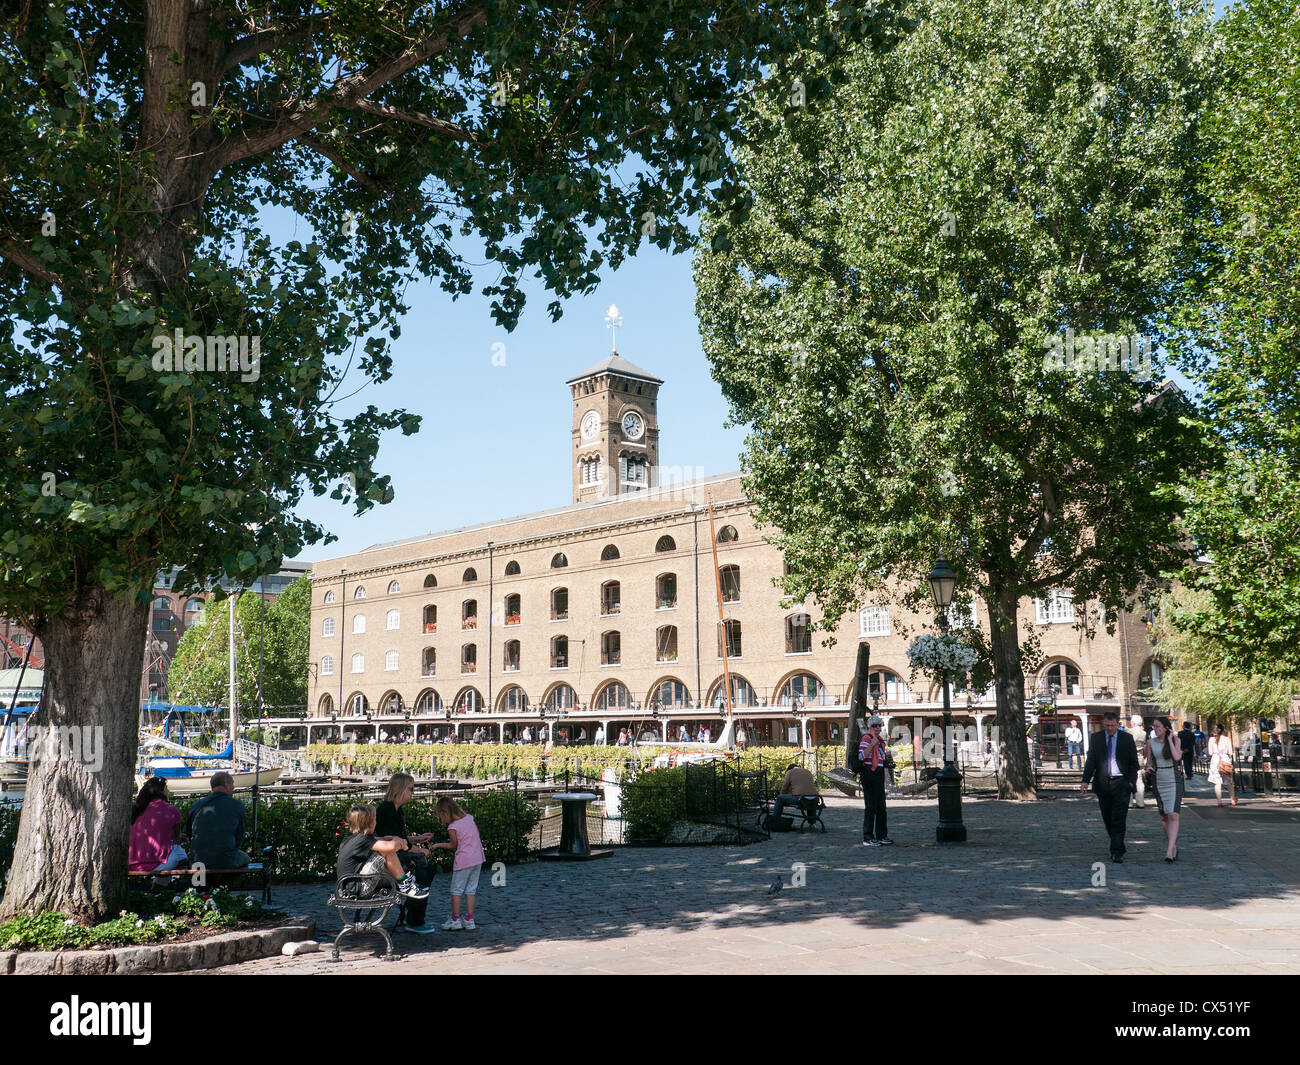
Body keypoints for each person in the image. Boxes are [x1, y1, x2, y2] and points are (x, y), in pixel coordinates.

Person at [375, 772, 437, 933]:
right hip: (388, 864)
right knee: (423, 873)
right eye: (410, 789)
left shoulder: (395, 810)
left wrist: (417, 840)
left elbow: (400, 839)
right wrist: (421, 850)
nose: (412, 793)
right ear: (401, 790)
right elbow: (395, 843)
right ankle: (415, 920)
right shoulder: (387, 811)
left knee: (425, 871)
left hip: (395, 858)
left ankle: (414, 916)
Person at [337, 803, 429, 899]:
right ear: (370, 823)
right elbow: (391, 847)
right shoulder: (362, 840)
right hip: (357, 889)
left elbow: (383, 839)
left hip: (348, 887)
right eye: (375, 819)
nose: (376, 822)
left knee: (386, 847)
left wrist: (396, 839)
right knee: (387, 851)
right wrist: (401, 843)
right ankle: (405, 885)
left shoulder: (353, 839)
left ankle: (401, 882)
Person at [1080, 711, 1138, 862]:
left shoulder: (1127, 738)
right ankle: (1117, 843)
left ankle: (1116, 851)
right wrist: (1085, 780)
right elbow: (1091, 761)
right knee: (1108, 818)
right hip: (1103, 783)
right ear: (1103, 724)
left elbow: (1134, 763)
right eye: (1107, 725)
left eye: (1112, 725)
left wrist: (1131, 781)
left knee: (1119, 818)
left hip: (1121, 783)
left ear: (1118, 724)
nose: (1110, 728)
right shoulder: (1097, 738)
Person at [430, 797, 486, 930]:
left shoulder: (453, 826)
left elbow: (453, 845)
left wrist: (437, 845)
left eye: (440, 817)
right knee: (471, 890)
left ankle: (455, 919)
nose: (441, 821)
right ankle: (469, 919)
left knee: (456, 890)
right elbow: (476, 835)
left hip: (464, 861)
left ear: (445, 813)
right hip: (477, 858)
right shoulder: (469, 818)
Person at [187, 771, 250, 870]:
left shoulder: (197, 805)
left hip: (197, 860)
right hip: (226, 859)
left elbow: (190, 834)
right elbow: (240, 835)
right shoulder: (237, 805)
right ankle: (227, 884)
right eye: (232, 783)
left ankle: (200, 884)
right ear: (226, 784)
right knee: (245, 859)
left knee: (199, 869)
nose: (233, 787)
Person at [1145, 716, 1183, 862]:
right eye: (1154, 726)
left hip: (1173, 778)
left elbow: (1176, 757)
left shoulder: (1175, 740)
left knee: (1173, 814)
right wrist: (1148, 767)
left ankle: (1169, 850)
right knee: (1164, 815)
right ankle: (1173, 846)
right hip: (1159, 778)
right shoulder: (1150, 743)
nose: (1155, 729)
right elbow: (1149, 762)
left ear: (1166, 728)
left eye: (1158, 726)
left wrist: (1169, 740)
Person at [129, 777, 188, 872]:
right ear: (161, 791)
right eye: (166, 788)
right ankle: (160, 886)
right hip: (159, 864)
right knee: (180, 854)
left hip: (131, 864)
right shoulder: (172, 811)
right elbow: (176, 840)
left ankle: (158, 886)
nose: (168, 791)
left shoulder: (135, 809)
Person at [858, 715, 893, 846]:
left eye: (879, 725)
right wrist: (871, 745)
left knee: (881, 806)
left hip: (878, 772)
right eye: (875, 726)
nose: (878, 728)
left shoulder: (879, 740)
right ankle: (868, 837)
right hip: (869, 772)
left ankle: (881, 835)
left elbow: (880, 757)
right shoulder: (867, 739)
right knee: (871, 806)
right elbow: (861, 756)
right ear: (870, 727)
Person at [1207, 723, 1236, 807]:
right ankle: (1232, 799)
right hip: (1225, 760)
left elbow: (1210, 752)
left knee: (1217, 782)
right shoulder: (1227, 739)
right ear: (1223, 730)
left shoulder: (1211, 740)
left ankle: (1219, 801)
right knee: (1229, 782)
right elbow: (1230, 752)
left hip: (1215, 760)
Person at [1129, 716, 1148, 808]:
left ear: (1134, 723)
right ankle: (1140, 802)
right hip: (1139, 758)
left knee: (1128, 779)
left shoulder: (1129, 731)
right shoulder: (1143, 733)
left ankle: (1129, 802)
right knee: (1139, 780)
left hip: (1129, 758)